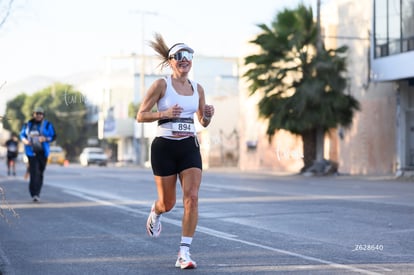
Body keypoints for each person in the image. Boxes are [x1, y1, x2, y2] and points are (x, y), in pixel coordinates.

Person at [136, 33, 215, 269]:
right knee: (168, 203)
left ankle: (184, 253)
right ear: (171, 61)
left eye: (188, 55)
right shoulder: (161, 84)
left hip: (189, 146)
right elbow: (140, 115)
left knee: (191, 197)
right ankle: (156, 211)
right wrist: (164, 113)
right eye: (179, 56)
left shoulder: (197, 88)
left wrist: (208, 115)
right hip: (164, 147)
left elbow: (202, 121)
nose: (184, 59)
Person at [20, 107, 56, 202]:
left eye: (40, 113)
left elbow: (53, 136)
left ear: (43, 115)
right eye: (37, 113)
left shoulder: (47, 124)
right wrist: (25, 141)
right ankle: (34, 194)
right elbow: (22, 135)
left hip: (43, 152)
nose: (39, 115)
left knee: (40, 173)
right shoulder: (27, 124)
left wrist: (45, 139)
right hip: (31, 152)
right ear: (33, 114)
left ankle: (37, 193)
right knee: (34, 172)